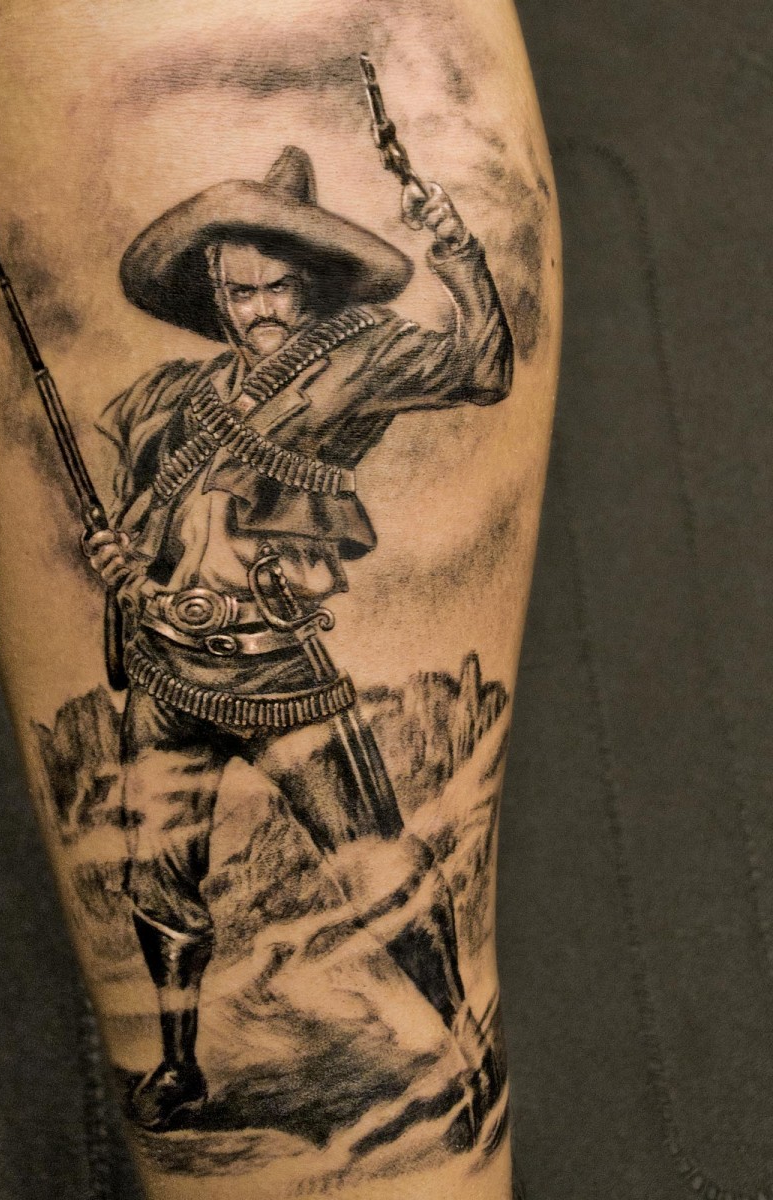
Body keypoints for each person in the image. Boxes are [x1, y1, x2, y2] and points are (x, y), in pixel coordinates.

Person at [83, 144, 514, 1129]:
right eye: (241, 292)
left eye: (279, 288)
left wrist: (457, 253)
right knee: (157, 882)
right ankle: (180, 1066)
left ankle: (465, 1049)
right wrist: (118, 559)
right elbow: (145, 524)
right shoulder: (175, 398)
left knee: (377, 868)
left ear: (310, 285)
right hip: (165, 673)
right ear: (216, 294)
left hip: (278, 671)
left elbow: (485, 371)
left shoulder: (359, 358)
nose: (262, 310)